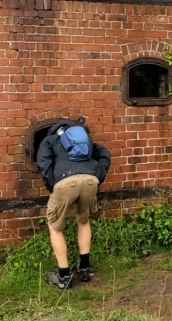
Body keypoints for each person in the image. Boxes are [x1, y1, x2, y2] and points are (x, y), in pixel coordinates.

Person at [36, 118, 111, 290]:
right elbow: (105, 153)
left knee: (55, 226)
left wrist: (51, 184)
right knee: (83, 221)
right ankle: (84, 269)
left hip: (65, 182)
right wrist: (97, 175)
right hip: (90, 180)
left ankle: (63, 276)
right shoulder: (85, 139)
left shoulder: (49, 140)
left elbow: (43, 161)